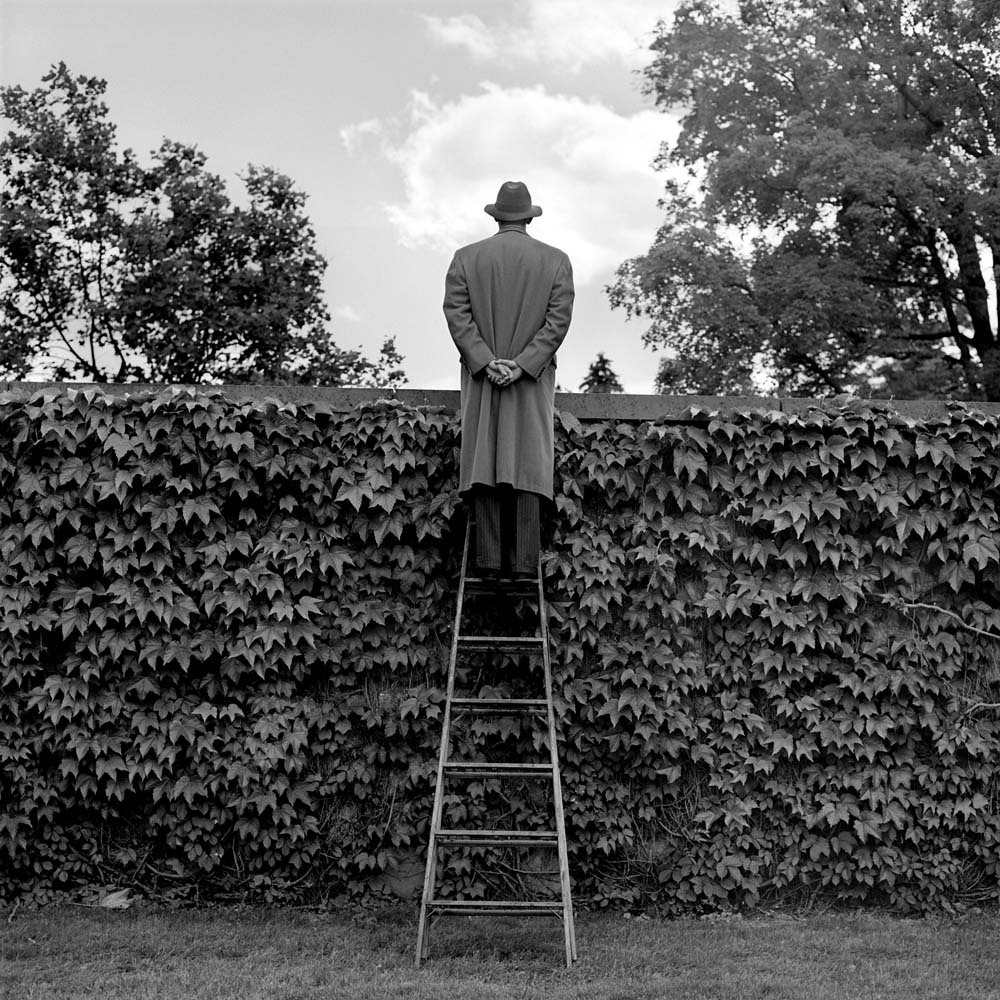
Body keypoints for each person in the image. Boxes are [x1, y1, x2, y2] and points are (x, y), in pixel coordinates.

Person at [443, 180, 574, 577]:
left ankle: (486, 559)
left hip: (483, 379)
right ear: (528, 217)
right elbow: (557, 322)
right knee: (528, 461)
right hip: (530, 381)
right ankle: (524, 561)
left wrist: (486, 362)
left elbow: (457, 316)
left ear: (497, 216)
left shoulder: (466, 258)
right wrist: (523, 365)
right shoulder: (556, 261)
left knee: (484, 458)